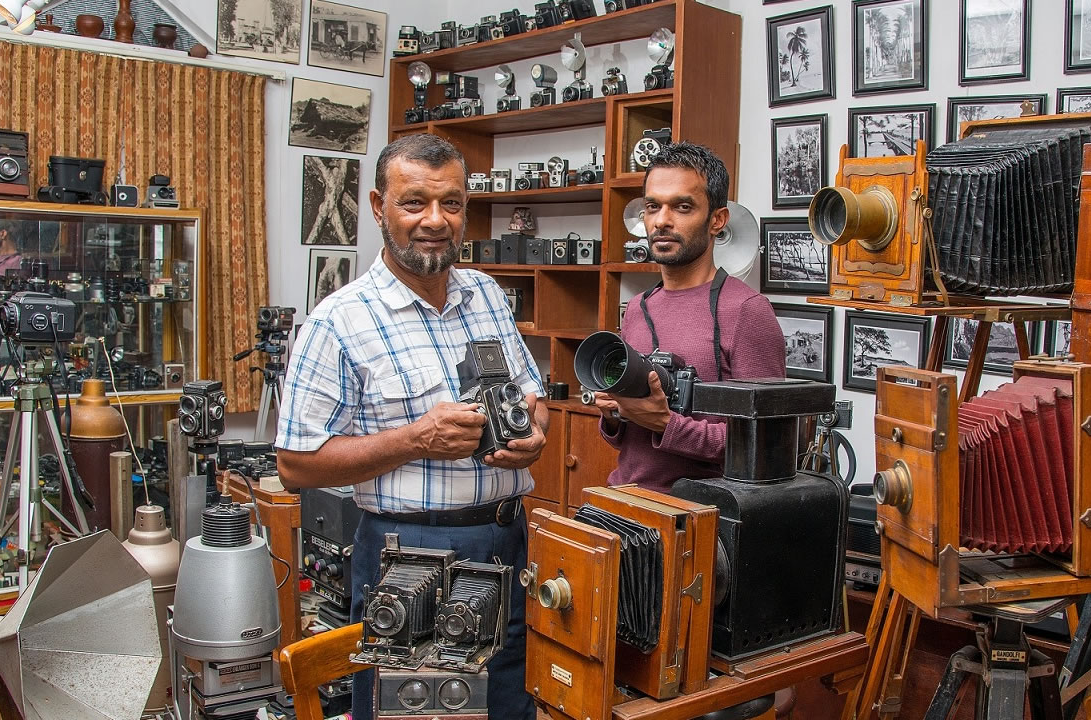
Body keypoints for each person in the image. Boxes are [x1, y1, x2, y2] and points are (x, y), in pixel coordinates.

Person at [276, 133, 545, 720]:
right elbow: (296, 464)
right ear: (377, 206)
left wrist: (533, 435)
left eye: (450, 204)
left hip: (508, 541)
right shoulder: (339, 321)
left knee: (510, 707)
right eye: (413, 202)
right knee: (423, 715)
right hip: (410, 556)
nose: (435, 220)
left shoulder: (488, 296)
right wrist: (413, 440)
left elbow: (532, 394)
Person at [593, 142, 786, 491]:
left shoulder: (746, 311)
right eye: (653, 206)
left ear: (717, 220)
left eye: (682, 207)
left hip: (701, 519)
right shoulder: (638, 307)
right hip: (625, 501)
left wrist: (666, 424)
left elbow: (766, 447)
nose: (662, 221)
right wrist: (614, 414)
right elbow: (627, 444)